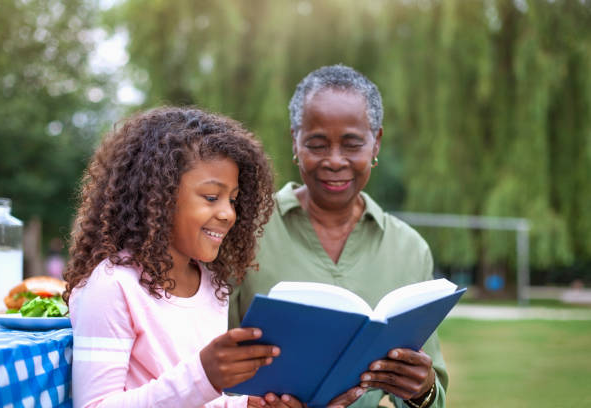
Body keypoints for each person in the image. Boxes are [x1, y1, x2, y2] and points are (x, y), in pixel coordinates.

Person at [229, 65, 448, 408]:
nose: (334, 161)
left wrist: (424, 389)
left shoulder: (409, 249)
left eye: (352, 144)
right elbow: (205, 365)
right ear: (295, 141)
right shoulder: (242, 231)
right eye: (317, 144)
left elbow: (431, 397)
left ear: (376, 143)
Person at [63, 106, 303, 408]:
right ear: (157, 196)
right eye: (212, 197)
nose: (228, 213)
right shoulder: (113, 286)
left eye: (233, 199)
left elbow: (195, 400)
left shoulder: (210, 284)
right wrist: (205, 377)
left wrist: (243, 404)